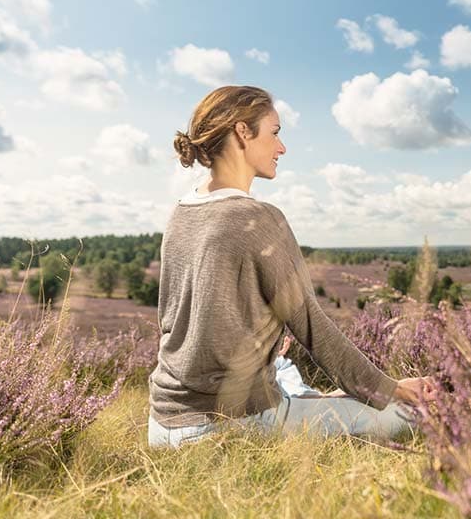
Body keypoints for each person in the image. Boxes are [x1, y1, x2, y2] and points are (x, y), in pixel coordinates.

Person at [148, 85, 433, 449]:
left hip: (163, 425)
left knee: (286, 376)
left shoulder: (181, 213)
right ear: (242, 132)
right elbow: (315, 331)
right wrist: (390, 390)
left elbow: (175, 323)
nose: (282, 147)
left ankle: (313, 401)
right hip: (233, 423)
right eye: (275, 133)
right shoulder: (258, 218)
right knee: (415, 415)